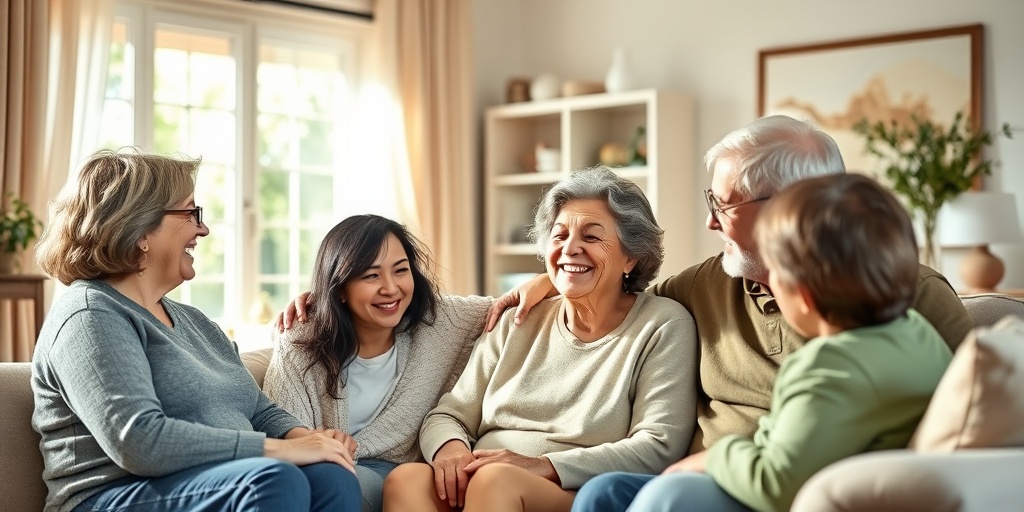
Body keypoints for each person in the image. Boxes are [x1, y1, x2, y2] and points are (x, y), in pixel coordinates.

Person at [485, 115, 974, 511]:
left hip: (806, 488)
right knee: (604, 494)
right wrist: (557, 276)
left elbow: (960, 426)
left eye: (723, 203)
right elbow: (623, 287)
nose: (709, 220)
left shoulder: (913, 299)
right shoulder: (706, 283)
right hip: (700, 483)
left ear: (790, 208)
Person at [31, 148, 361, 512]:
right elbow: (138, 441)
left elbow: (258, 411)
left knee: (332, 474)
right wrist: (282, 450)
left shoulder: (196, 323)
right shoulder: (89, 315)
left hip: (211, 481)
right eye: (191, 213)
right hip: (112, 495)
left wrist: (310, 439)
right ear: (141, 228)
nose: (202, 228)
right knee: (270, 480)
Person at [624, 173, 953, 511]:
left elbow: (776, 484)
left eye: (775, 272)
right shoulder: (917, 333)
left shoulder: (828, 366)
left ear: (805, 297)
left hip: (807, 496)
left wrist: (713, 457)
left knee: (666, 498)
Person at [381, 166, 699, 512]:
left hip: (575, 487)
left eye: (591, 237)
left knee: (495, 480)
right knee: (406, 480)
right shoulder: (519, 318)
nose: (570, 249)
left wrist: (543, 465)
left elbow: (658, 444)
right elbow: (450, 415)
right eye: (560, 236)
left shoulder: (663, 325)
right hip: (487, 477)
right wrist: (452, 451)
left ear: (631, 257)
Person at [263, 214, 495, 512]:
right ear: (340, 287)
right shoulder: (299, 337)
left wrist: (539, 283)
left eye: (401, 270)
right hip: (318, 469)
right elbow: (280, 430)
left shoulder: (442, 321)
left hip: (396, 475)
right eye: (371, 276)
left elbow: (528, 298)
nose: (391, 288)